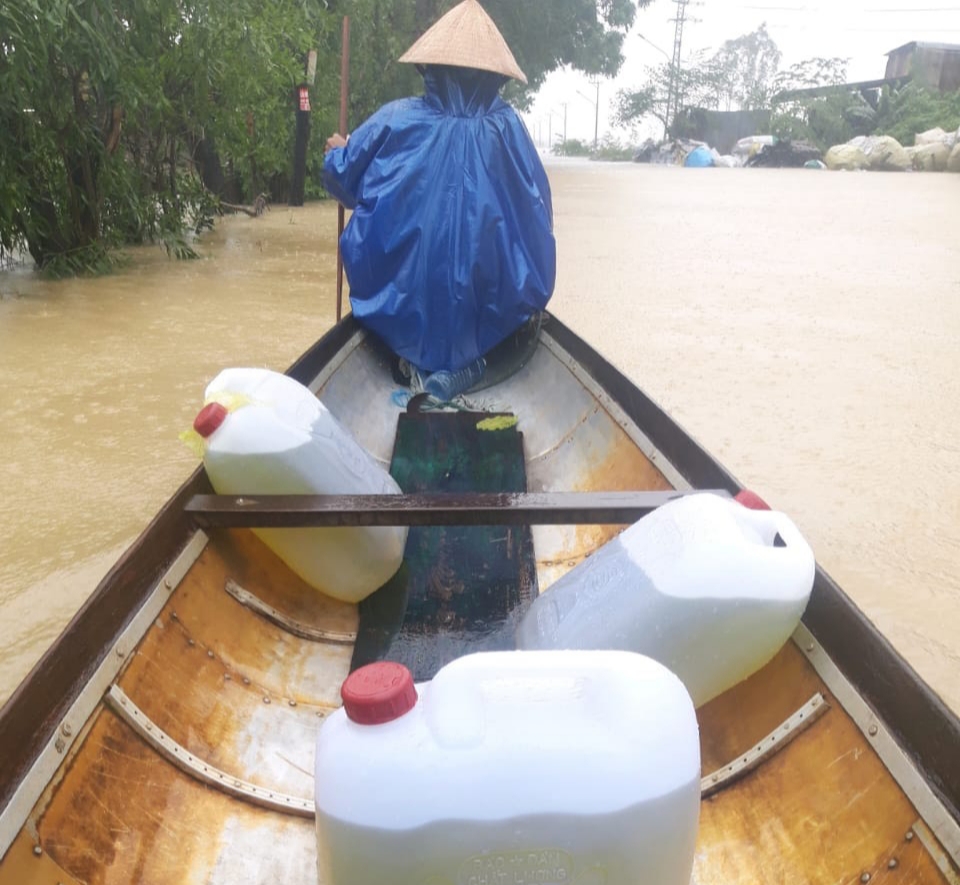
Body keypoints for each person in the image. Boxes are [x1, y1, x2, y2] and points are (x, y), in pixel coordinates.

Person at [322, 0, 556, 394]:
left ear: (430, 67)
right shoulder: (510, 129)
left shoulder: (397, 118)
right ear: (495, 77)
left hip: (400, 311)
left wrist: (337, 153)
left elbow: (342, 181)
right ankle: (476, 358)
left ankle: (415, 359)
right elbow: (539, 215)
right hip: (491, 313)